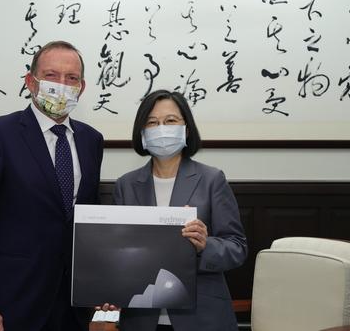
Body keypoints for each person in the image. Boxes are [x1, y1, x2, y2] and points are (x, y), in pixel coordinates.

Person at [0, 41, 104, 331]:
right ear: (31, 82)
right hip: (10, 304)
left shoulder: (91, 140)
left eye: (71, 78)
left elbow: (87, 221)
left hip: (71, 308)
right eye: (51, 75)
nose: (62, 85)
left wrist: (102, 286)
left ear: (81, 87)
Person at [104, 89, 247, 331]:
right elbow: (118, 252)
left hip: (201, 317)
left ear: (186, 129)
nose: (161, 128)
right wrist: (108, 288)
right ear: (142, 133)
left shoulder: (212, 179)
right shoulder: (126, 185)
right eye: (152, 123)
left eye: (170, 121)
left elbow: (237, 247)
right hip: (141, 317)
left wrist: (205, 245)